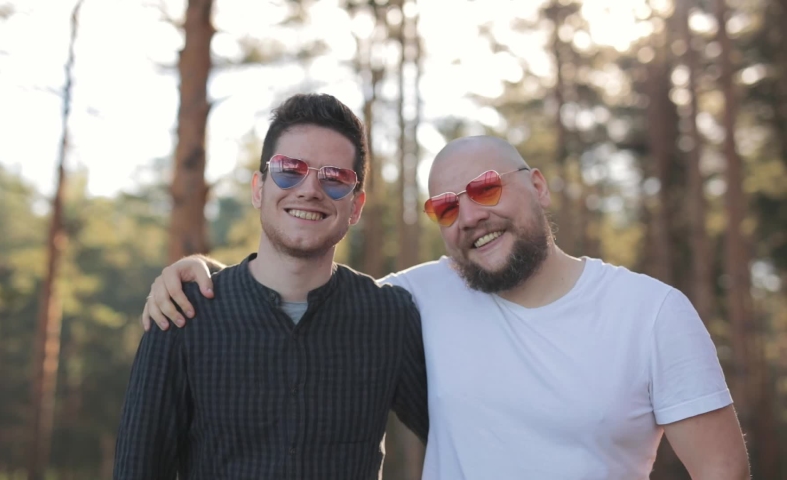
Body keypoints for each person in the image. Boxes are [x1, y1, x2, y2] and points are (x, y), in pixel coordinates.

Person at [144, 134, 751, 479]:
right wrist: (203, 273)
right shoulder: (411, 299)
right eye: (445, 206)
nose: (471, 215)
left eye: (486, 188)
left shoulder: (651, 313)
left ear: (536, 186)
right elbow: (303, 290)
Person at [114, 93, 429, 480]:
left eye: (334, 178)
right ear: (259, 188)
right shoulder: (183, 313)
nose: (310, 189)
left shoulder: (389, 318)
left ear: (356, 206)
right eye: (289, 169)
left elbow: (463, 432)